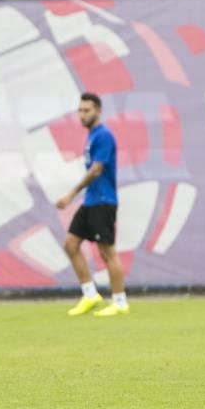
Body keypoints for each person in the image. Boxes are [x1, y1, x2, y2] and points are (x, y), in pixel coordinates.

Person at [56, 92, 129, 317]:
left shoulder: (104, 135)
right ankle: (90, 295)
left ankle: (119, 301)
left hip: (103, 201)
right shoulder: (92, 136)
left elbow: (97, 169)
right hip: (91, 201)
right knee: (70, 244)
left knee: (107, 252)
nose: (82, 114)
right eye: (80, 110)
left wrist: (70, 194)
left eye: (87, 110)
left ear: (98, 111)